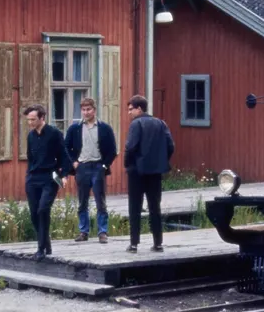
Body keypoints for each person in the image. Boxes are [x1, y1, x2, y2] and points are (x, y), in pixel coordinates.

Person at [122, 94, 174, 253]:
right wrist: (161, 161)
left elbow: (130, 147)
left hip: (137, 172)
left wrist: (128, 165)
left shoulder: (136, 124)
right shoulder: (160, 123)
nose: (129, 113)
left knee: (135, 208)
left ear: (139, 108)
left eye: (131, 109)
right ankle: (158, 243)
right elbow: (170, 145)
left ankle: (134, 244)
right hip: (155, 172)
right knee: (155, 207)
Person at [64, 97, 118, 244]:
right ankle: (83, 231)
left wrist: (104, 166)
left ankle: (102, 232)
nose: (86, 112)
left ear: (94, 110)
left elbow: (113, 150)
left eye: (89, 109)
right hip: (82, 167)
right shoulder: (74, 128)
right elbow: (66, 147)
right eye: (83, 110)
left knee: (100, 201)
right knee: (82, 201)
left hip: (97, 167)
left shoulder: (104, 128)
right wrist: (74, 162)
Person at [23, 104, 72, 258]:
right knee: (33, 213)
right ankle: (46, 243)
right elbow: (30, 158)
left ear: (42, 118)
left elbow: (64, 156)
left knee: (43, 209)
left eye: (33, 119)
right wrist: (28, 175)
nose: (30, 123)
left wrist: (64, 175)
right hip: (33, 178)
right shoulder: (31, 136)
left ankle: (41, 249)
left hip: (50, 177)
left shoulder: (54, 133)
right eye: (28, 120)